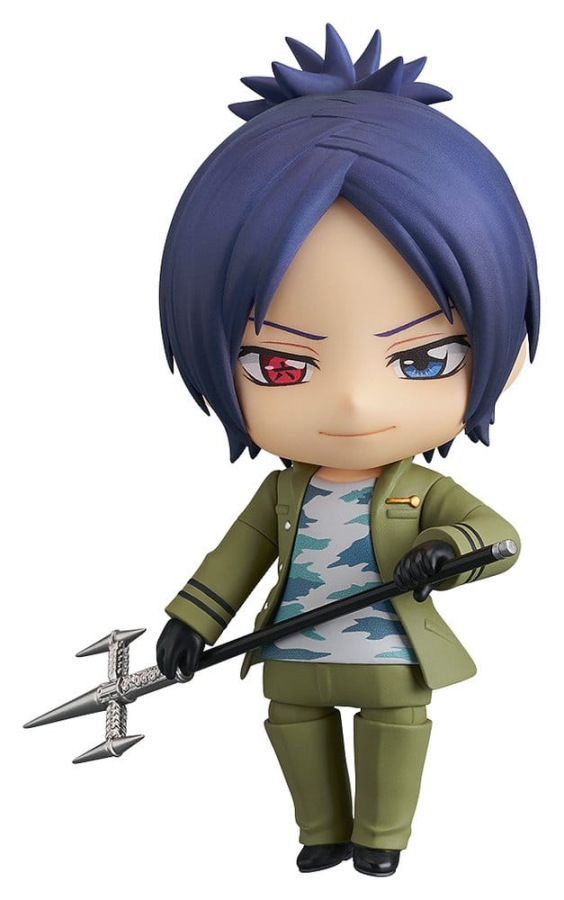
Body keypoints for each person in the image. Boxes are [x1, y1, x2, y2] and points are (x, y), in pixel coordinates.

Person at [155, 24, 539, 876]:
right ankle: (321, 830)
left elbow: (501, 539)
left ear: (506, 353)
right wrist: (191, 620)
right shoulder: (283, 495)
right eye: (280, 365)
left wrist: (446, 550)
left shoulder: (417, 490)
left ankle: (382, 838)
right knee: (293, 730)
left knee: (396, 733)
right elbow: (237, 556)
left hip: (391, 655)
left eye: (423, 359)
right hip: (293, 655)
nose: (356, 403)